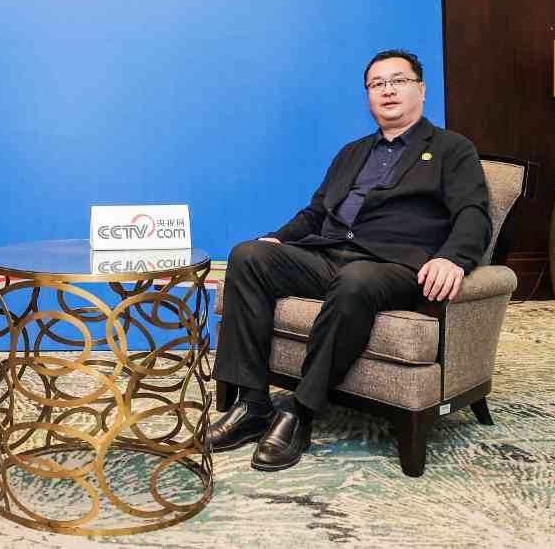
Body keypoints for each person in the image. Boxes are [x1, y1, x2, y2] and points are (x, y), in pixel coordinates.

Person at [209, 49, 491, 472]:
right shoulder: (352, 152)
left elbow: (473, 212)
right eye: (377, 84)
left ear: (421, 89)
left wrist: (453, 257)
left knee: (356, 279)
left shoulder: (452, 149)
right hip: (330, 253)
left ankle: (300, 411)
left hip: (393, 265)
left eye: (398, 80)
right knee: (248, 255)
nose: (388, 90)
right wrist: (278, 239)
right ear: (368, 95)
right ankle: (252, 405)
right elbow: (316, 213)